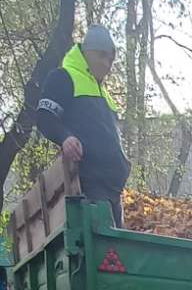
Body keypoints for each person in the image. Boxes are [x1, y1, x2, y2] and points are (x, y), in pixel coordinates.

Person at [36, 25, 130, 226]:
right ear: (86, 52)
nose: (107, 64)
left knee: (119, 243)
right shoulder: (64, 77)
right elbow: (45, 116)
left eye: (111, 60)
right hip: (89, 182)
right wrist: (65, 137)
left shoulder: (105, 95)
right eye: (102, 56)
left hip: (114, 190)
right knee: (105, 242)